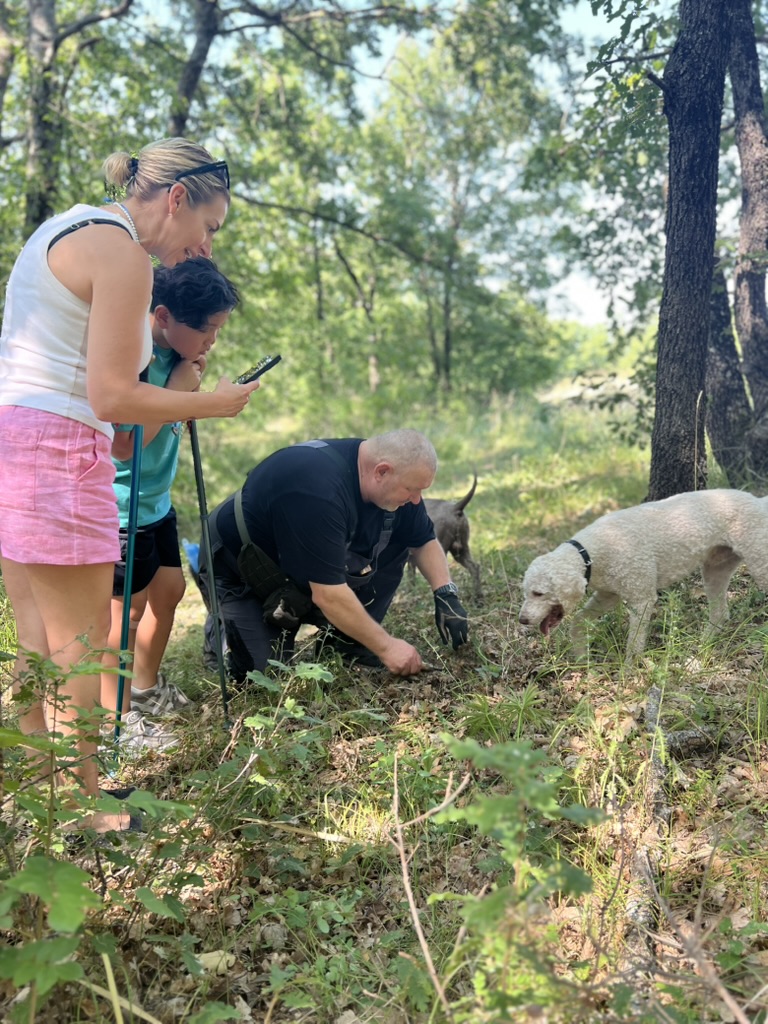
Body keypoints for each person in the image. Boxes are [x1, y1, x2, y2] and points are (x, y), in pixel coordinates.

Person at [0, 138, 261, 833]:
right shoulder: (122, 254)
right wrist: (212, 402)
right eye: (208, 225)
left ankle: (37, 793)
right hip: (59, 451)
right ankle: (84, 810)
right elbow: (113, 394)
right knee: (83, 645)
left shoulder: (68, 227)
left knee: (39, 637)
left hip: (18, 438)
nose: (206, 246)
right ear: (176, 199)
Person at [100, 258, 241, 752]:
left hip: (155, 502)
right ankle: (115, 723)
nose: (212, 341)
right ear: (163, 316)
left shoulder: (178, 359)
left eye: (218, 330)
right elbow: (125, 446)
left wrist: (187, 384)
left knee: (170, 591)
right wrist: (180, 391)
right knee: (125, 614)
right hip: (122, 507)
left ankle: (143, 689)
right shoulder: (134, 357)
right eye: (206, 330)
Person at [197, 429, 470, 681]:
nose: (417, 500)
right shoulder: (316, 490)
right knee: (263, 677)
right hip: (243, 571)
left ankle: (347, 646)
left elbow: (422, 540)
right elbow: (328, 594)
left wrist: (446, 594)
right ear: (382, 472)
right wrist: (388, 647)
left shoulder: (391, 477)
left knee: (396, 541)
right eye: (412, 490)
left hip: (301, 565)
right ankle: (222, 627)